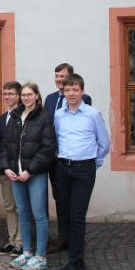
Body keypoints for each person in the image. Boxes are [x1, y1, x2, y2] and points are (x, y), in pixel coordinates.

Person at [54, 74, 110, 270]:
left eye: (75, 90)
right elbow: (59, 138)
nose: (71, 93)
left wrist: (92, 164)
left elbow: (104, 143)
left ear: (82, 91)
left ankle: (75, 266)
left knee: (77, 217)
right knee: (66, 215)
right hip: (63, 168)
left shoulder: (92, 114)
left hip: (84, 170)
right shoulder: (59, 115)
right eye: (67, 90)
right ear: (64, 92)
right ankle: (75, 262)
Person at [0, 82, 56, 270]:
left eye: (30, 94)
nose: (26, 98)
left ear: (37, 96)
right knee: (22, 212)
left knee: (39, 215)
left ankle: (40, 256)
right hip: (15, 174)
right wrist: (6, 168)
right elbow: (6, 146)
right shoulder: (15, 116)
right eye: (23, 95)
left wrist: (29, 170)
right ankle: (27, 252)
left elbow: (47, 149)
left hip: (35, 174)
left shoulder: (44, 117)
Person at [43, 63, 92, 253]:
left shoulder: (84, 99)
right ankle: (63, 238)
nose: (59, 80)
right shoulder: (50, 99)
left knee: (75, 204)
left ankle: (75, 239)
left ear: (71, 78)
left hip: (74, 158)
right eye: (56, 77)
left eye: (62, 77)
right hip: (54, 159)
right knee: (60, 199)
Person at [0, 81, 23, 257]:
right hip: (5, 170)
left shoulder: (23, 115)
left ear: (18, 96)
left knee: (20, 207)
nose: (6, 97)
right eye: (4, 93)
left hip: (18, 170)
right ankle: (12, 241)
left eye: (10, 93)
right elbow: (0, 145)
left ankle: (21, 242)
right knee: (9, 206)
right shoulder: (4, 117)